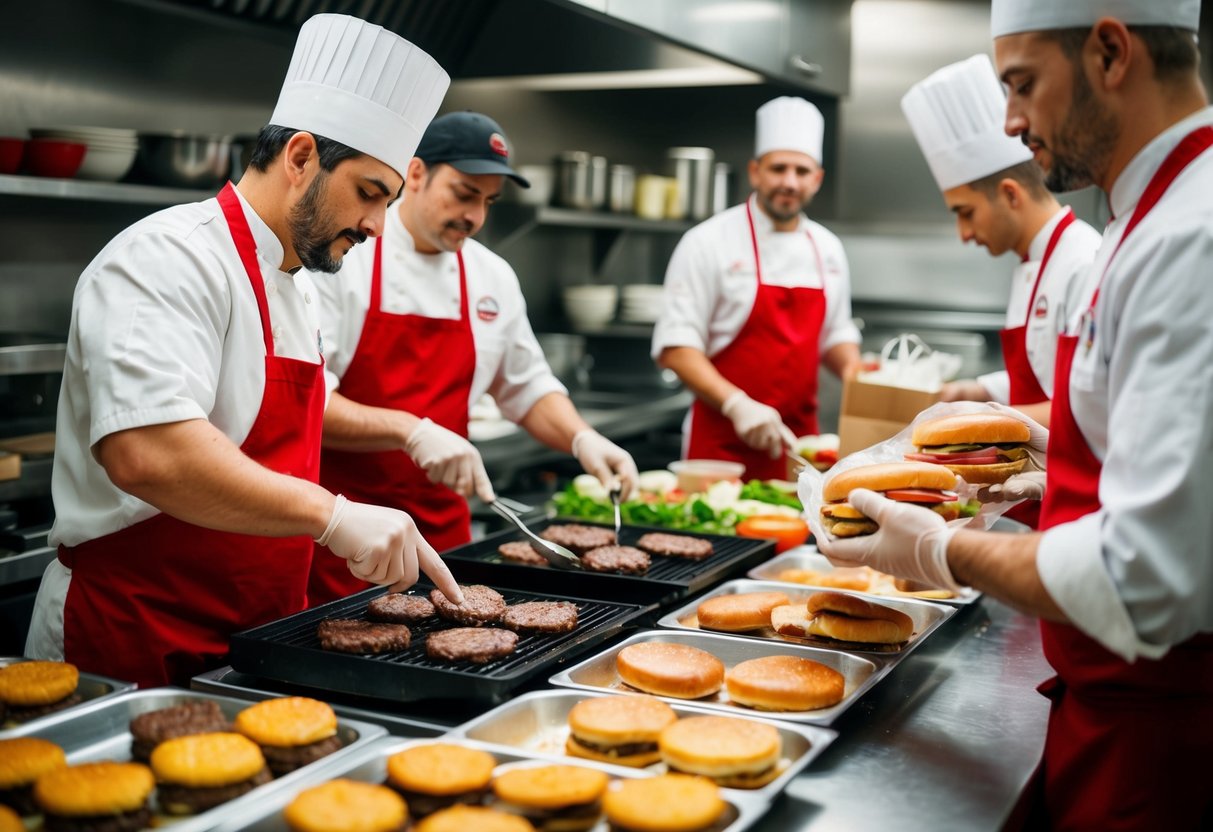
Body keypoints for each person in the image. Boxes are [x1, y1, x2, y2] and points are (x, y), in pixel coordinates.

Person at [819, 0, 1213, 827]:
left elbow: (1144, 579)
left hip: (1163, 733)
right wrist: (1043, 451)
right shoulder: (1145, 221)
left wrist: (938, 548)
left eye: (1022, 83)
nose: (1010, 120)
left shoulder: (1190, 238)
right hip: (1108, 697)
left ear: (1110, 51)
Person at [24, 14, 463, 689]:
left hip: (256, 636)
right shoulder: (168, 256)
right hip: (133, 636)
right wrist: (333, 515)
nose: (378, 225)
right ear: (300, 158)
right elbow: (150, 453)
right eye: (369, 194)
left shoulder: (295, 284)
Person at [307, 111, 639, 605]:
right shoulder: (345, 258)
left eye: (487, 201)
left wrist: (581, 436)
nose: (476, 217)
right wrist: (411, 430)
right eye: (464, 194)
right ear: (414, 174)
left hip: (445, 536)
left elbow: (525, 386)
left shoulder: (492, 276)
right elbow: (310, 403)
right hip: (346, 535)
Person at [652, 96, 862, 481]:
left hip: (800, 448)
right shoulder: (708, 241)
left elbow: (835, 334)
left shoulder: (828, 248)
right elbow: (676, 347)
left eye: (802, 171)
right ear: (755, 172)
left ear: (817, 178)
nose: (789, 182)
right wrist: (737, 404)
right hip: (720, 446)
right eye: (778, 168)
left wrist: (857, 372)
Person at [902, 54, 1101, 428]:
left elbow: (1086, 407)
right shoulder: (1033, 262)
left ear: (1011, 195)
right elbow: (1046, 376)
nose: (964, 234)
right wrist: (980, 391)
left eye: (966, 212)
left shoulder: (1082, 263)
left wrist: (982, 418)